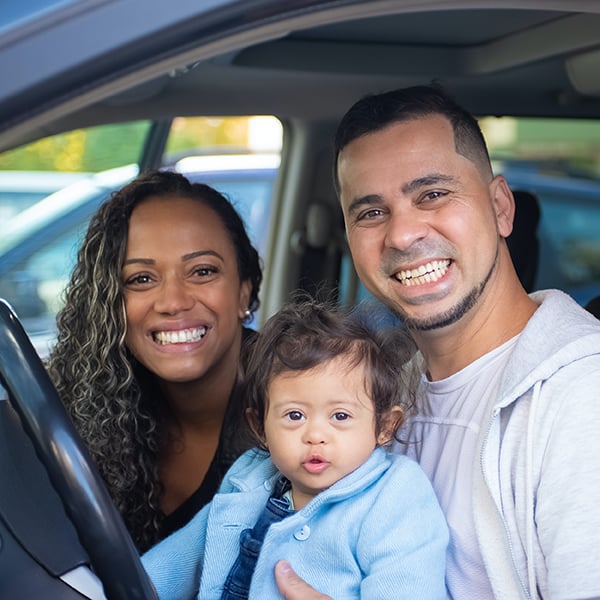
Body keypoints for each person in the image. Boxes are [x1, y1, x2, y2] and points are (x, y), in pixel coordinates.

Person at [274, 85, 600, 599]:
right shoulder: (380, 393)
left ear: (500, 208)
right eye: (371, 213)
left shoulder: (582, 397)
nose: (402, 234)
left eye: (432, 195)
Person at [142, 300, 449, 599]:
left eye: (340, 416)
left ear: (385, 426)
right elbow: (189, 551)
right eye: (295, 415)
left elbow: (408, 585)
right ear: (261, 426)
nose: (315, 435)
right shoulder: (250, 474)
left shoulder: (396, 494)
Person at [46, 170, 262, 552]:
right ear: (110, 304)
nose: (173, 301)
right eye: (141, 279)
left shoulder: (304, 404)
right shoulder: (91, 403)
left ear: (244, 291)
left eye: (202, 271)